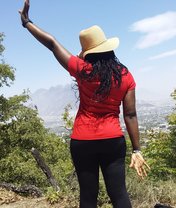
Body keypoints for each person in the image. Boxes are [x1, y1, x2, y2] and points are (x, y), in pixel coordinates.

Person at [19, 1, 150, 208]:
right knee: (119, 194)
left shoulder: (82, 69)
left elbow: (52, 44)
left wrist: (27, 23)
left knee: (88, 196)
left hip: (82, 141)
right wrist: (137, 150)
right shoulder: (125, 76)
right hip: (113, 140)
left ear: (87, 51)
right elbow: (130, 115)